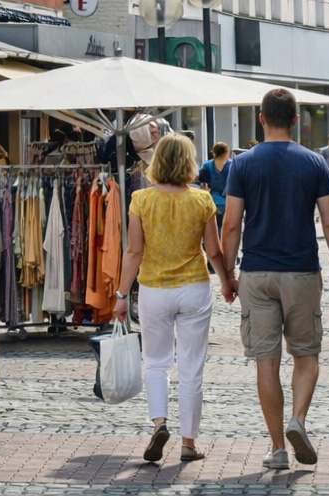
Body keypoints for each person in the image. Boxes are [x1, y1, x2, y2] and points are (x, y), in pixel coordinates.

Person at [222, 89, 329, 472]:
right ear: (296, 121)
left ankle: (278, 447)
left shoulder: (242, 164)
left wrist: (228, 274)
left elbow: (231, 226)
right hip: (301, 272)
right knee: (306, 354)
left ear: (261, 119)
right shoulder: (314, 163)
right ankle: (298, 418)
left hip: (257, 272)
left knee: (266, 361)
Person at [114, 135, 233, 464]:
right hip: (194, 288)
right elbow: (214, 250)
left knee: (156, 361)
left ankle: (159, 423)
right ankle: (188, 445)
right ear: (189, 162)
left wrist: (122, 295)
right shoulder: (201, 201)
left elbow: (134, 251)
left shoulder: (140, 200)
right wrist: (226, 282)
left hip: (154, 289)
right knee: (192, 368)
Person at [197, 142, 232, 222]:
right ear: (226, 152)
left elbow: (203, 183)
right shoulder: (232, 165)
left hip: (212, 201)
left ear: (214, 152)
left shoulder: (207, 165)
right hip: (229, 203)